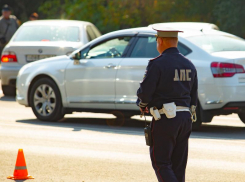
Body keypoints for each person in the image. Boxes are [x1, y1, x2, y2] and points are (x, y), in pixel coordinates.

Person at [136, 25, 198, 182]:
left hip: (165, 119)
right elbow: (193, 94)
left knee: (161, 163)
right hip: (185, 119)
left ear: (161, 41)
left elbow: (145, 93)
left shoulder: (157, 64)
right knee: (178, 166)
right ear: (176, 42)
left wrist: (143, 105)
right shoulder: (189, 64)